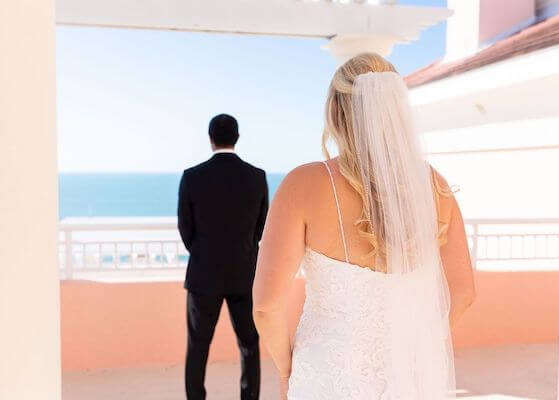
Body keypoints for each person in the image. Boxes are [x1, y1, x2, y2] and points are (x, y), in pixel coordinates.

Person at [252, 53, 476, 399]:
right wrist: (422, 348)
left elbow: (266, 305)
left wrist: (286, 368)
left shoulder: (304, 185)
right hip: (408, 376)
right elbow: (463, 293)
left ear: (336, 113)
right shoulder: (435, 187)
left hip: (328, 376)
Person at [178, 114, 268, 400]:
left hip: (203, 274)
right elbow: (260, 227)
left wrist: (204, 252)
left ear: (210, 138)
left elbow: (185, 227)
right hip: (244, 273)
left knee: (198, 346)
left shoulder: (192, 177)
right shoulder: (257, 177)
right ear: (237, 137)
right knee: (249, 345)